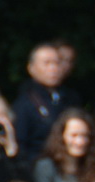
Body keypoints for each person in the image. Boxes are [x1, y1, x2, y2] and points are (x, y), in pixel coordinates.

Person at [10, 43, 81, 174]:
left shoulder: (71, 98)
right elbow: (20, 146)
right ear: (31, 69)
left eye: (57, 63)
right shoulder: (24, 104)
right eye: (47, 63)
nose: (53, 68)